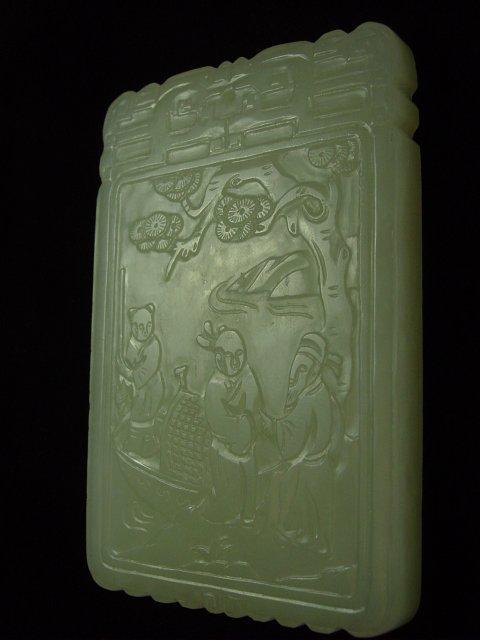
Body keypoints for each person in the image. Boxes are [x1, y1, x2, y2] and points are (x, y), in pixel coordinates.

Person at [259, 332, 343, 549]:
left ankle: (318, 542)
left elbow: (292, 440)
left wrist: (269, 424)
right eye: (295, 368)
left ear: (315, 370)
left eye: (302, 369)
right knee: (313, 506)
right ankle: (311, 536)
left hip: (312, 467)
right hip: (320, 463)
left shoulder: (309, 400)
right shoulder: (322, 392)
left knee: (312, 503)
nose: (294, 376)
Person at [197, 323, 260, 525]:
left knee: (250, 477)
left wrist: (243, 430)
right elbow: (214, 417)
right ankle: (223, 504)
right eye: (223, 356)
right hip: (225, 445)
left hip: (246, 444)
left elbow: (252, 407)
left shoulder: (248, 377)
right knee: (218, 462)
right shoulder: (215, 384)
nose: (230, 362)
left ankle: (248, 515)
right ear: (217, 356)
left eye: (237, 355)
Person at [116, 303, 164, 458]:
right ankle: (136, 444)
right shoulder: (132, 342)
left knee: (142, 416)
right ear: (132, 326)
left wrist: (126, 372)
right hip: (138, 390)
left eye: (148, 325)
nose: (143, 330)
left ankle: (145, 445)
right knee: (134, 415)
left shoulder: (153, 345)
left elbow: (144, 372)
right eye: (138, 326)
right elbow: (130, 360)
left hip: (150, 389)